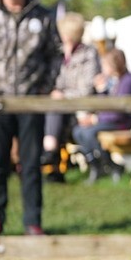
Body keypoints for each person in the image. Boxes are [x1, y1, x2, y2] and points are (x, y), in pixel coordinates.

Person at [0, 0, 63, 235]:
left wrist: (44, 88)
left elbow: (56, 56)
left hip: (31, 101)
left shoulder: (43, 16)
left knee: (32, 163)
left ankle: (32, 222)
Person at [42, 12, 100, 182]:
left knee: (55, 109)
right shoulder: (57, 53)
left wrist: (63, 95)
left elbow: (86, 88)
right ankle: (50, 159)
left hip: (80, 106)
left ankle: (49, 152)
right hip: (58, 105)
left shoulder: (88, 54)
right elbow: (50, 80)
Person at [72, 48, 131, 183]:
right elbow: (106, 106)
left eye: (105, 65)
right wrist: (101, 91)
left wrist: (96, 119)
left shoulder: (127, 81)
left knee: (89, 133)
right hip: (110, 119)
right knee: (78, 131)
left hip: (121, 122)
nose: (102, 68)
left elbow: (118, 111)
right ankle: (96, 165)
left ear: (114, 65)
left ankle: (109, 165)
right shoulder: (114, 81)